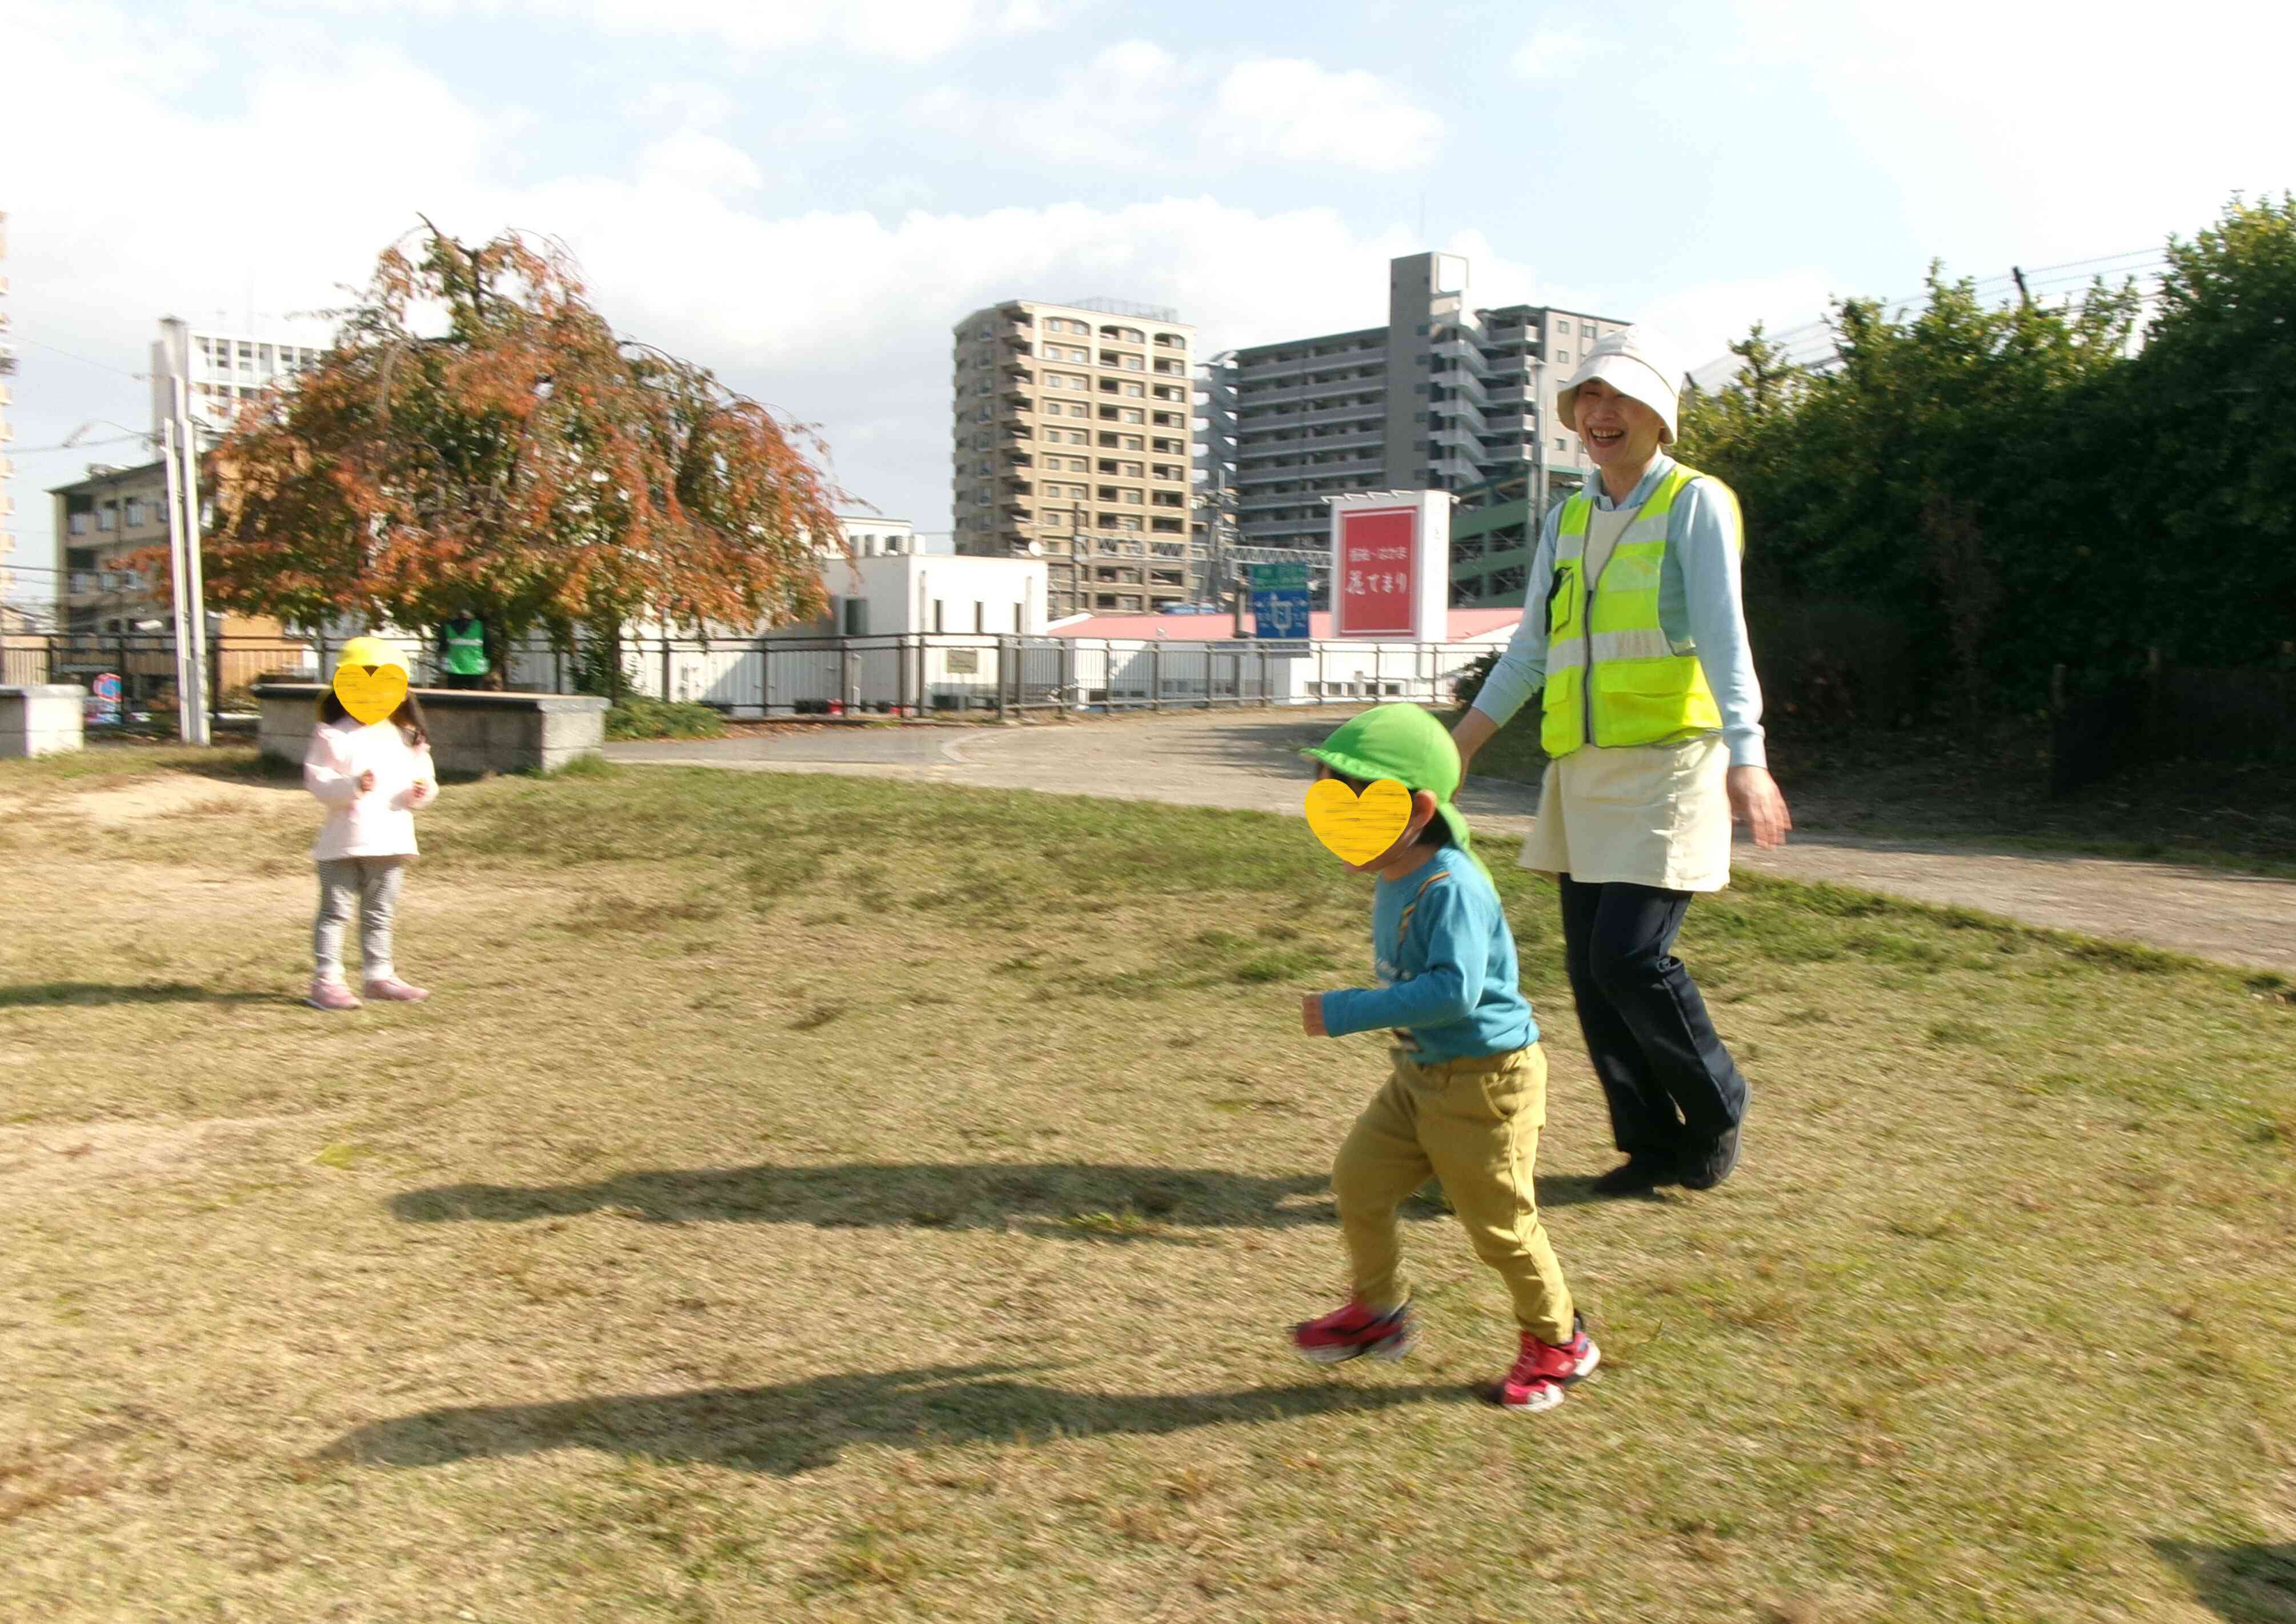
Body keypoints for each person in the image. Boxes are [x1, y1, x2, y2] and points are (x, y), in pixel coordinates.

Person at [1451, 328, 1791, 1196]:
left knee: (1629, 959)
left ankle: (1716, 1108)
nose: (1601, 415)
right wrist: (1454, 751)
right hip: (1581, 769)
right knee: (1590, 975)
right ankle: (1645, 1144)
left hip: (1670, 761)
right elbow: (1529, 653)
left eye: (1621, 400)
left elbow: (1723, 637)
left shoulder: (1693, 502)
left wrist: (1746, 757)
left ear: (1658, 417)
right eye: (1587, 401)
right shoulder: (1565, 517)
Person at [1290, 705, 1599, 1414]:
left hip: (1485, 1082)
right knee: (1358, 1180)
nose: (1335, 826)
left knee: (1499, 1225)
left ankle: (1560, 1342)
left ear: (1418, 807)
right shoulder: (1397, 866)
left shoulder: (1450, 886)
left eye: (1352, 807)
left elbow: (1454, 992)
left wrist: (1346, 1010)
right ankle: (1377, 1312)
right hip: (1420, 1075)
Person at [304, 637, 438, 1011]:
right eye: (360, 683)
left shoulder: (406, 736)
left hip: (391, 839)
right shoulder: (331, 734)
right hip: (344, 841)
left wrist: (421, 792)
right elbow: (316, 781)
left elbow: (425, 781)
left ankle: (379, 976)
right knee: (335, 911)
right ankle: (327, 980)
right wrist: (350, 786)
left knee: (380, 912)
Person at [438, 613, 488, 690]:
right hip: (475, 670)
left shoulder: (448, 627)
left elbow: (442, 649)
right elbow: (488, 649)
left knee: (455, 700)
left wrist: (443, 670)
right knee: (476, 700)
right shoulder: (480, 627)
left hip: (454, 671)